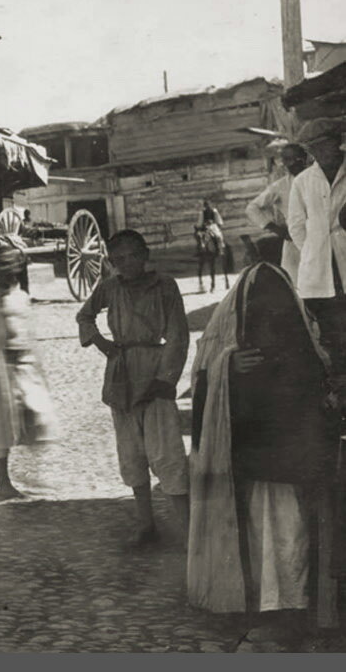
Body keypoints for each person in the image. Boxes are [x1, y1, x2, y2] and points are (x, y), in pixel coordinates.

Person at [188, 261, 337, 626]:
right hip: (256, 466)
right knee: (264, 534)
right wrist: (229, 367)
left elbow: (316, 382)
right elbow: (203, 384)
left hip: (286, 462)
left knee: (290, 536)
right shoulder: (229, 345)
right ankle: (265, 603)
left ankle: (291, 604)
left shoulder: (302, 341)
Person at [77, 229, 190, 548]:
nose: (125, 264)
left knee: (166, 454)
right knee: (131, 454)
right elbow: (84, 316)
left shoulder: (165, 286)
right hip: (120, 377)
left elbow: (179, 335)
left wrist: (166, 380)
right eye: (117, 259)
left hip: (154, 375)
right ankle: (146, 524)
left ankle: (190, 532)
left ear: (145, 256)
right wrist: (102, 344)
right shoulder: (110, 287)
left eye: (132, 256)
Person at [0, 245, 58, 499]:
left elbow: (30, 332)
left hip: (25, 365)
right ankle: (4, 482)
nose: (7, 275)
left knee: (37, 415)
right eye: (1, 271)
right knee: (1, 427)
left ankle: (30, 473)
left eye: (12, 269)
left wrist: (33, 361)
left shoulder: (22, 298)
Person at [287, 118, 346, 377]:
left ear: (338, 142)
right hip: (320, 271)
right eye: (315, 148)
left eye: (326, 145)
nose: (322, 153)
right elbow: (296, 226)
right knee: (333, 335)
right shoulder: (303, 181)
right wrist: (315, 249)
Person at [246, 143, 310, 286]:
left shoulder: (317, 179)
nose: (293, 165)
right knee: (298, 285)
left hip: (319, 238)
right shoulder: (280, 186)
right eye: (288, 161)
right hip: (294, 244)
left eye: (297, 160)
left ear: (305, 159)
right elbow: (252, 208)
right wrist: (276, 229)